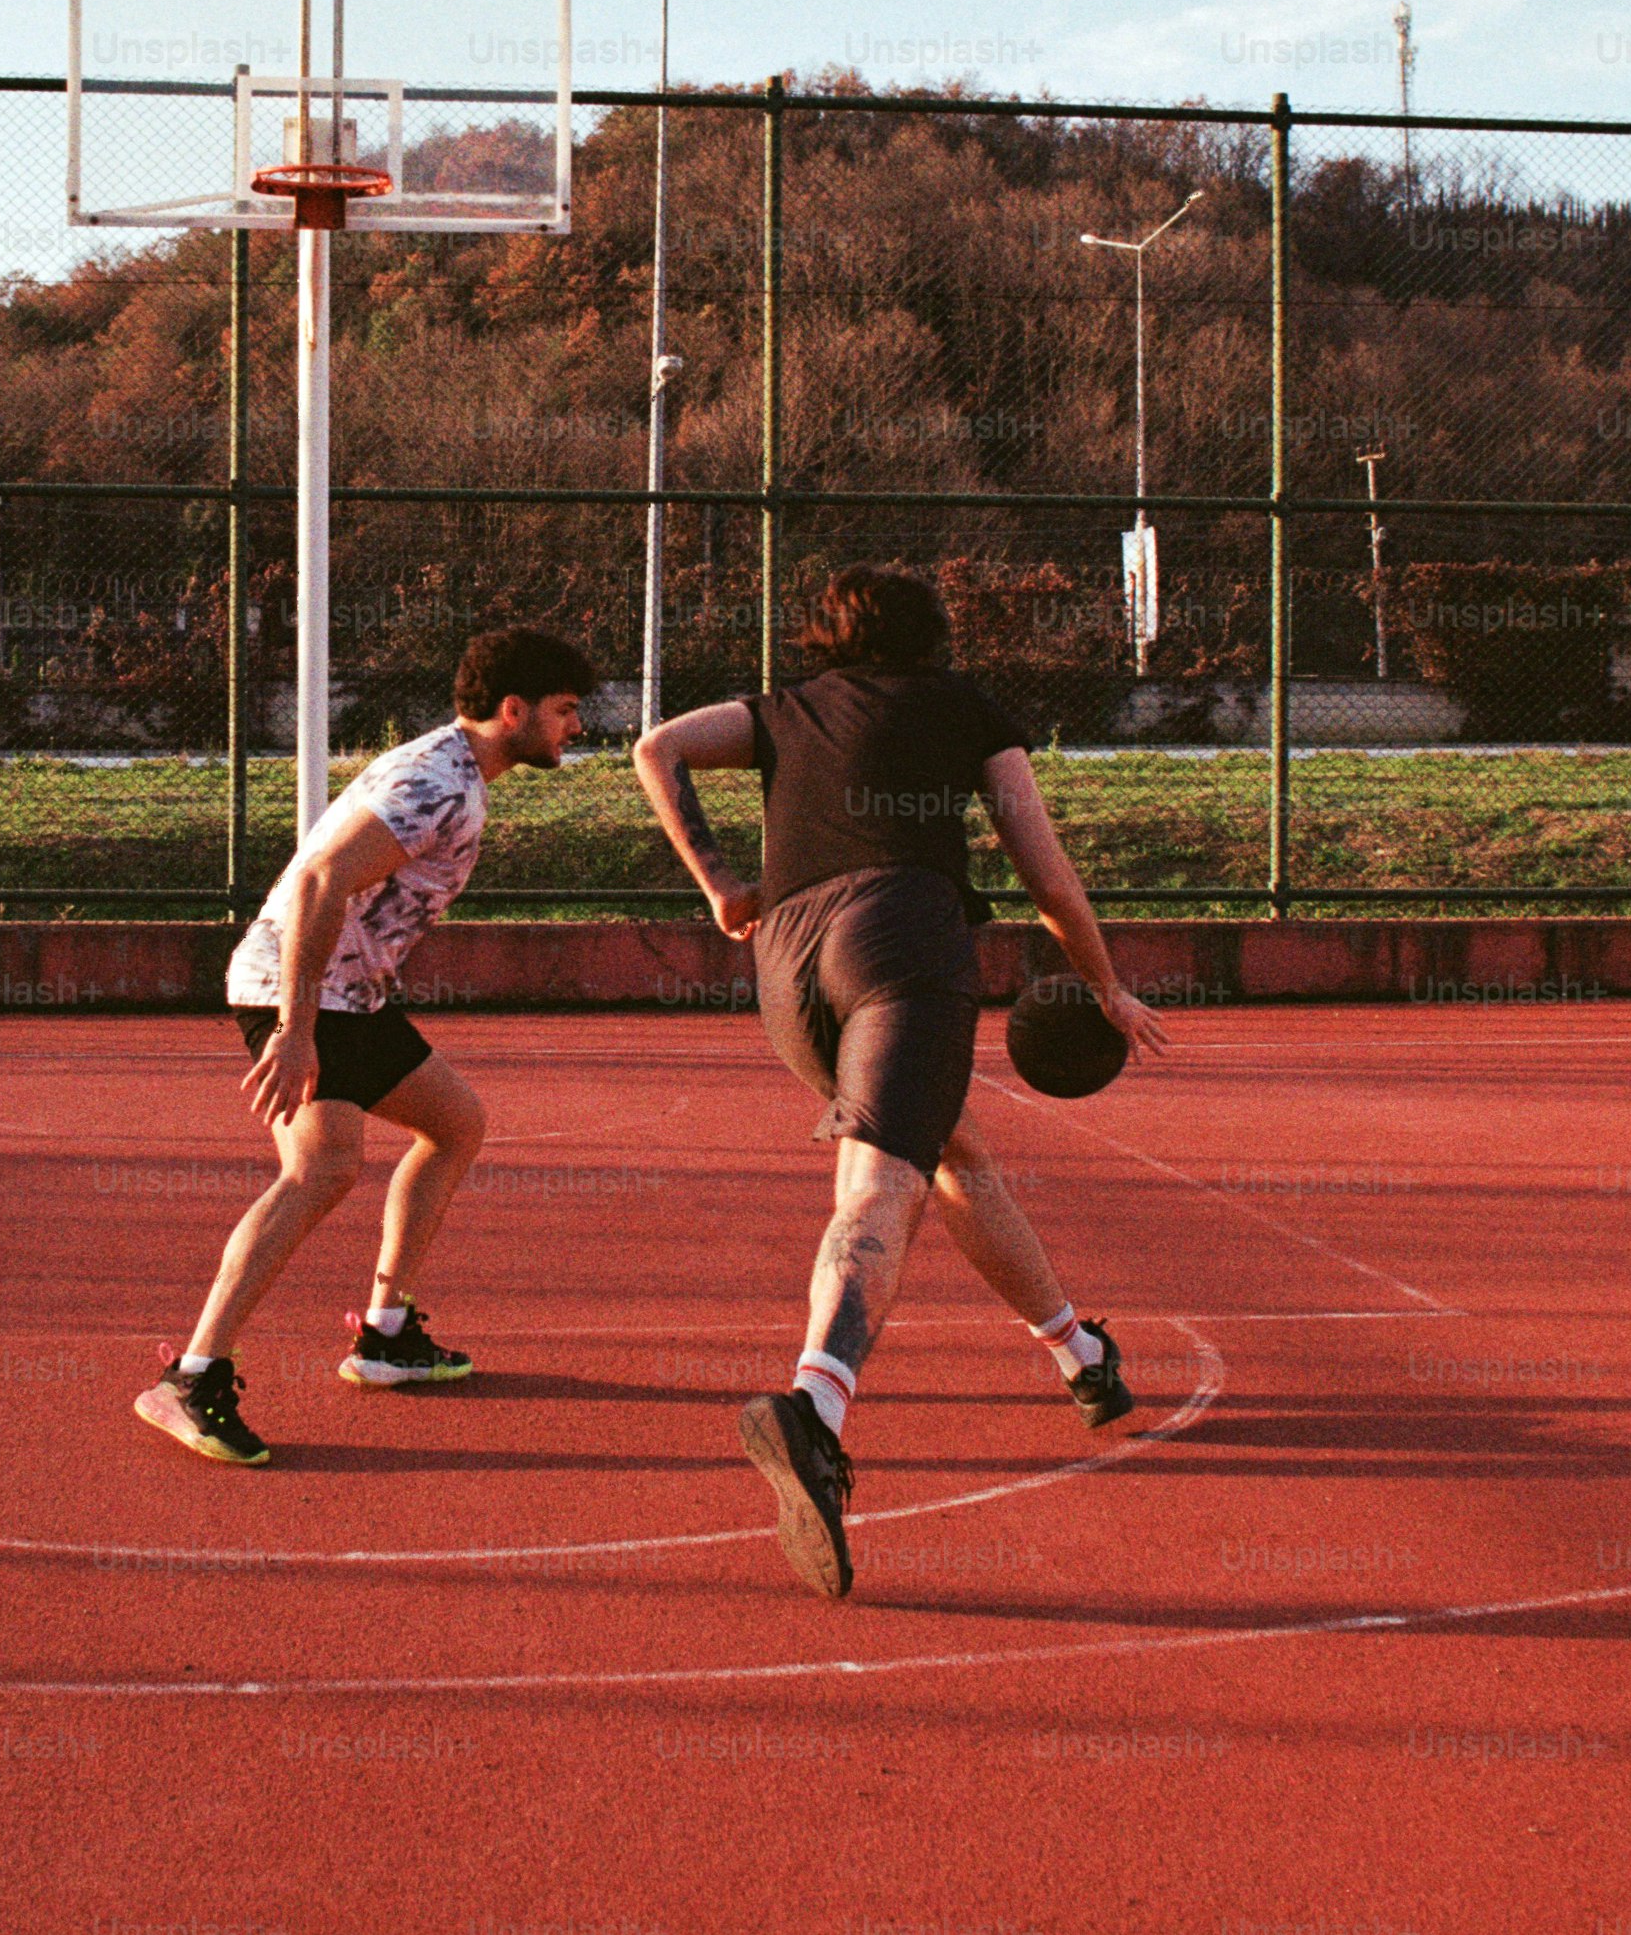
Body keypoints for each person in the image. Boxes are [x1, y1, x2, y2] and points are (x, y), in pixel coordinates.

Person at [632, 564, 1165, 1598]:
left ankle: (1078, 1350)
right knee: (881, 1183)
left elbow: (655, 747)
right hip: (901, 937)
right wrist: (1106, 984)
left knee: (949, 1148)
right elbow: (1043, 868)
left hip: (785, 963)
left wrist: (717, 883)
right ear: (936, 636)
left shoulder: (782, 709)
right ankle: (815, 1406)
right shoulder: (964, 705)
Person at [133, 627, 597, 1467]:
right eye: (566, 712)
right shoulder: (436, 784)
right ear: (513, 710)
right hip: (303, 991)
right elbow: (319, 879)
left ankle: (386, 1336)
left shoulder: (455, 771)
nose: (576, 729)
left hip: (348, 994)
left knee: (454, 1124)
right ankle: (190, 1378)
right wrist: (296, 1028)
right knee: (320, 1170)